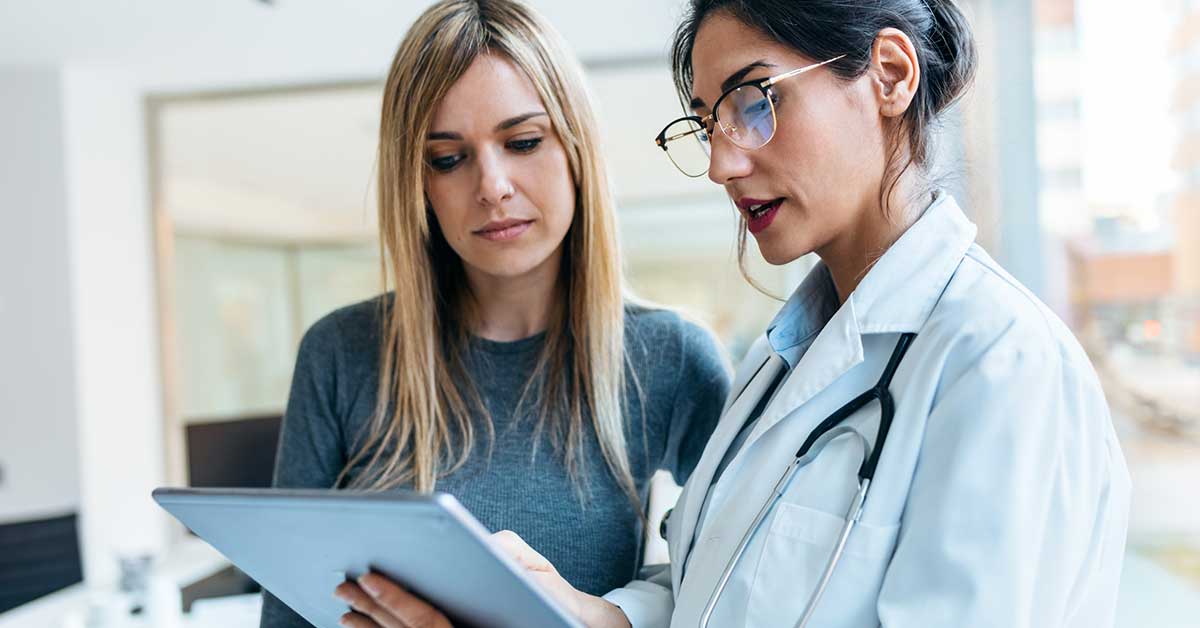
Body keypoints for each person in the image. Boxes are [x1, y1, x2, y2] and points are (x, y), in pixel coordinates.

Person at [336, 1, 1131, 627]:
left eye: (754, 102)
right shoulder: (779, 363)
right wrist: (584, 615)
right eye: (709, 120)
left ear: (890, 74)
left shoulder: (998, 365)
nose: (721, 162)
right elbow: (706, 596)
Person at [259, 1, 732, 627]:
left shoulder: (669, 357)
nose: (492, 186)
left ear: (575, 148)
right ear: (417, 182)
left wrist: (614, 618)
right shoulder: (342, 354)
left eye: (523, 141)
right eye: (447, 159)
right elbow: (285, 616)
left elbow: (735, 588)